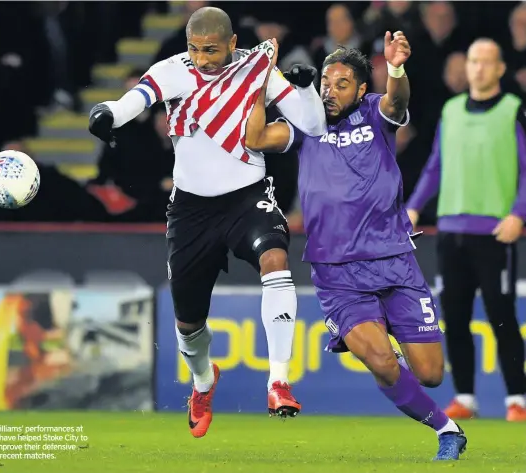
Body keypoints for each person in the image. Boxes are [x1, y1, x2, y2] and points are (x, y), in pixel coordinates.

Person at [88, 7, 325, 438]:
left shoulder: (258, 68)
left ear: (233, 44)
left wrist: (306, 90)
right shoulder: (173, 70)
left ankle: (278, 381)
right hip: (191, 212)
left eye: (211, 50)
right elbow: (134, 100)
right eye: (195, 49)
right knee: (188, 323)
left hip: (247, 198)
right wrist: (106, 114)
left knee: (276, 259)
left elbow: (314, 124)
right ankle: (203, 382)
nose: (202, 59)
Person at [245, 33, 468, 461]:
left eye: (341, 83)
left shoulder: (376, 113)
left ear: (361, 89)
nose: (329, 90)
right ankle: (447, 429)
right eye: (325, 82)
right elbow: (255, 137)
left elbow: (398, 102)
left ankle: (383, 329)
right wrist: (260, 84)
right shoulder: (306, 120)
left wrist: (397, 68)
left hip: (394, 261)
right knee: (382, 362)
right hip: (337, 271)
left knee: (431, 373)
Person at [406, 38, 526, 422]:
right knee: (454, 318)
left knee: (502, 317)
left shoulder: (514, 110)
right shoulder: (451, 110)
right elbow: (435, 166)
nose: (478, 68)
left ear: (500, 69)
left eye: (486, 62)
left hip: (495, 233)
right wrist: (412, 206)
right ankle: (466, 398)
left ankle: (518, 400)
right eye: (473, 60)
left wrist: (519, 214)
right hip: (451, 231)